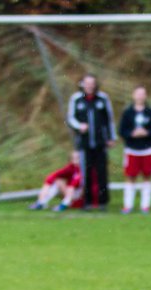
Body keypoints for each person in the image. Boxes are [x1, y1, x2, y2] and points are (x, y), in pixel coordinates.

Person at [65, 73, 115, 211]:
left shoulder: (102, 98)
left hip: (100, 143)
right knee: (85, 173)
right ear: (82, 84)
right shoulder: (76, 99)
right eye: (87, 83)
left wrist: (111, 137)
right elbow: (70, 118)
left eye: (92, 83)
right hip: (84, 143)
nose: (89, 86)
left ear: (95, 84)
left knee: (102, 172)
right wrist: (79, 126)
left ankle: (102, 202)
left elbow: (109, 119)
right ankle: (86, 202)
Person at [118, 85, 151, 214]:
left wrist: (146, 133)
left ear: (146, 96)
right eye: (138, 94)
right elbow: (121, 130)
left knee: (147, 176)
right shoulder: (128, 113)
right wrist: (132, 134)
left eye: (143, 94)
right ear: (133, 95)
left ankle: (145, 206)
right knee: (130, 176)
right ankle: (128, 205)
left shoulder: (150, 113)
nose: (140, 96)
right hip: (132, 150)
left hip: (147, 150)